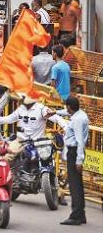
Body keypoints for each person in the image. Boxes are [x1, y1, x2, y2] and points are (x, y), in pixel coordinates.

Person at [60, 96, 89, 226]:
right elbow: (65, 113)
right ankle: (81, 214)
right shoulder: (81, 115)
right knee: (78, 184)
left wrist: (79, 160)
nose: (66, 109)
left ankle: (75, 216)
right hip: (75, 152)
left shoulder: (77, 120)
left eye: (67, 107)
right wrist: (54, 112)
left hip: (75, 152)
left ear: (70, 107)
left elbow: (80, 141)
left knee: (74, 186)